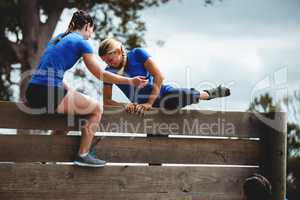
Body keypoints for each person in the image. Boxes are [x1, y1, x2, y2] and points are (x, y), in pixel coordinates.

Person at [25, 10, 147, 167]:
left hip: (33, 91)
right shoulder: (82, 43)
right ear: (88, 26)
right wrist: (130, 81)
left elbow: (48, 71)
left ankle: (45, 157)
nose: (91, 34)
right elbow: (100, 74)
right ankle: (83, 155)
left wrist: (69, 90)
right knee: (96, 108)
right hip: (48, 91)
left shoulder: (58, 39)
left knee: (72, 114)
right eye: (92, 30)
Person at [98, 38, 231, 114]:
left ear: (119, 51)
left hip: (162, 94)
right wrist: (126, 106)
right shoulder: (109, 72)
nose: (108, 64)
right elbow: (107, 102)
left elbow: (159, 76)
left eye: (110, 60)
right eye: (105, 61)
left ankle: (209, 93)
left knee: (185, 94)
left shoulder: (137, 53)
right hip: (143, 107)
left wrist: (149, 102)